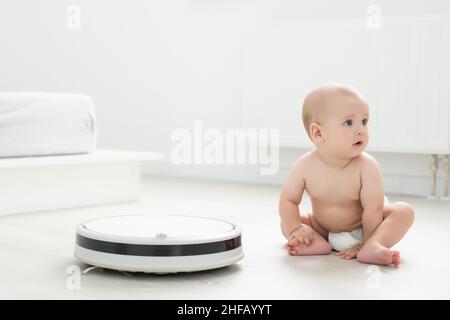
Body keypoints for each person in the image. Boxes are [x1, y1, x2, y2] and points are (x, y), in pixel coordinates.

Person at [279, 83, 414, 267]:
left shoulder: (367, 166)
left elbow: (373, 210)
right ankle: (318, 243)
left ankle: (373, 246)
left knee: (404, 212)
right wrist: (296, 228)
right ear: (318, 133)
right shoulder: (304, 166)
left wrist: (365, 242)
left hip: (364, 228)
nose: (361, 130)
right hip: (323, 227)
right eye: (349, 123)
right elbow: (288, 200)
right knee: (288, 222)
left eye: (364, 121)